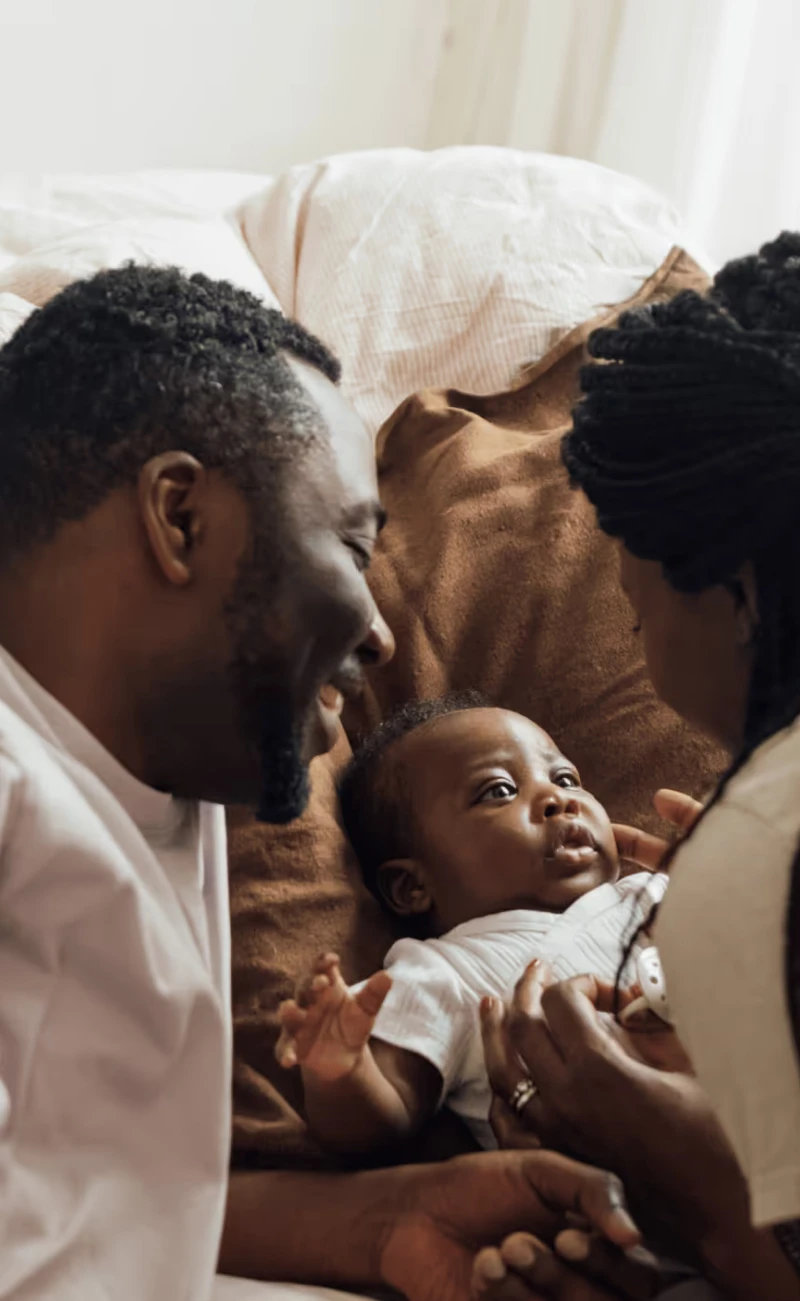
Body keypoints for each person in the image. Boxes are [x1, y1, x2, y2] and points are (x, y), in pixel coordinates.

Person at [0, 263, 653, 1301]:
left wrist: (388, 1222)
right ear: (180, 518)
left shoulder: (162, 777)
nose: (382, 630)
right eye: (351, 545)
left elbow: (91, 1187)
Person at [477, 232, 800, 1301]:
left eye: (634, 578)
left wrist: (697, 1207)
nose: (624, 610)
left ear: (732, 587)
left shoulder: (758, 857)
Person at [276, 694, 666, 1154]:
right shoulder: (445, 971)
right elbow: (384, 1118)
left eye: (565, 778)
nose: (557, 798)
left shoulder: (654, 891)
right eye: (498, 791)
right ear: (410, 887)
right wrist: (339, 1069)